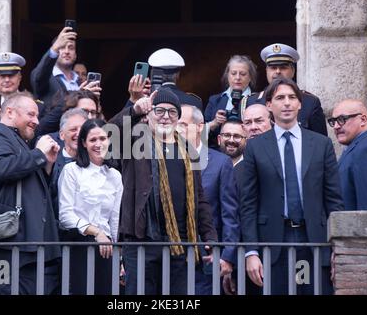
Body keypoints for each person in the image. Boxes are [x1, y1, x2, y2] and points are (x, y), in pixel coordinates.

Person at [240, 78, 344, 295]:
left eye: (292, 97)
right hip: (272, 240)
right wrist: (251, 251)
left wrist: (339, 247)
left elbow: (334, 200)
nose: (286, 103)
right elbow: (248, 203)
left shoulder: (321, 144)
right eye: (279, 98)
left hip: (313, 237)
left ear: (300, 104)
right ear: (269, 105)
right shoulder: (256, 147)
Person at [110, 88, 217, 295]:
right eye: (159, 111)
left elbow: (199, 198)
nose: (166, 116)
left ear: (177, 118)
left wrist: (210, 236)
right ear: (148, 114)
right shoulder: (134, 142)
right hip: (142, 240)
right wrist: (134, 110)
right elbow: (107, 135)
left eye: (172, 112)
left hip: (180, 242)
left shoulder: (189, 150)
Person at [0, 91, 61, 295]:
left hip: (23, 246)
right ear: (9, 112)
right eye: (31, 114)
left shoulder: (16, 141)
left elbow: (25, 186)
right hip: (6, 247)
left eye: (37, 116)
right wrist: (38, 154)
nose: (36, 121)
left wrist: (47, 166)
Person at [177, 105, 239, 295]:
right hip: (173, 257)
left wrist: (227, 255)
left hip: (207, 256)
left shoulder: (221, 163)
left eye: (182, 125)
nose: (177, 130)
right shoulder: (164, 161)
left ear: (200, 126)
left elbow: (230, 214)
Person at [58, 119, 123, 294]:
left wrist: (119, 256)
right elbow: (65, 216)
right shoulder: (71, 170)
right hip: (79, 244)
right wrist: (97, 232)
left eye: (102, 138)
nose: (98, 144)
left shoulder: (115, 175)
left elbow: (115, 219)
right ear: (84, 144)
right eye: (93, 140)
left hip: (107, 248)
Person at [247, 43, 327, 136]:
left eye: (283, 68)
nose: (277, 71)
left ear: (293, 71)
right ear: (266, 71)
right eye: (273, 68)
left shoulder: (310, 102)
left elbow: (320, 143)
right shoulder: (251, 102)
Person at [30, 27, 101, 117]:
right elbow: (37, 78)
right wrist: (54, 48)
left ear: (75, 54)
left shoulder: (81, 81)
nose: (67, 51)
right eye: (62, 47)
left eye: (71, 48)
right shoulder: (46, 78)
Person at [329, 99, 367, 210]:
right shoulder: (357, 147)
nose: (336, 126)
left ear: (363, 119)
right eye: (333, 121)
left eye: (342, 119)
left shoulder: (366, 149)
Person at [205, 55, 257, 148]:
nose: (237, 77)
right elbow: (198, 133)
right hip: (219, 153)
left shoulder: (258, 100)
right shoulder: (215, 100)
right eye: (233, 73)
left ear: (250, 77)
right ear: (227, 75)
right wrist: (214, 123)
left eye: (243, 74)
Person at [50, 108, 89, 221]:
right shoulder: (50, 161)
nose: (79, 133)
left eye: (83, 129)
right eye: (73, 129)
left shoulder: (95, 162)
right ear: (62, 135)